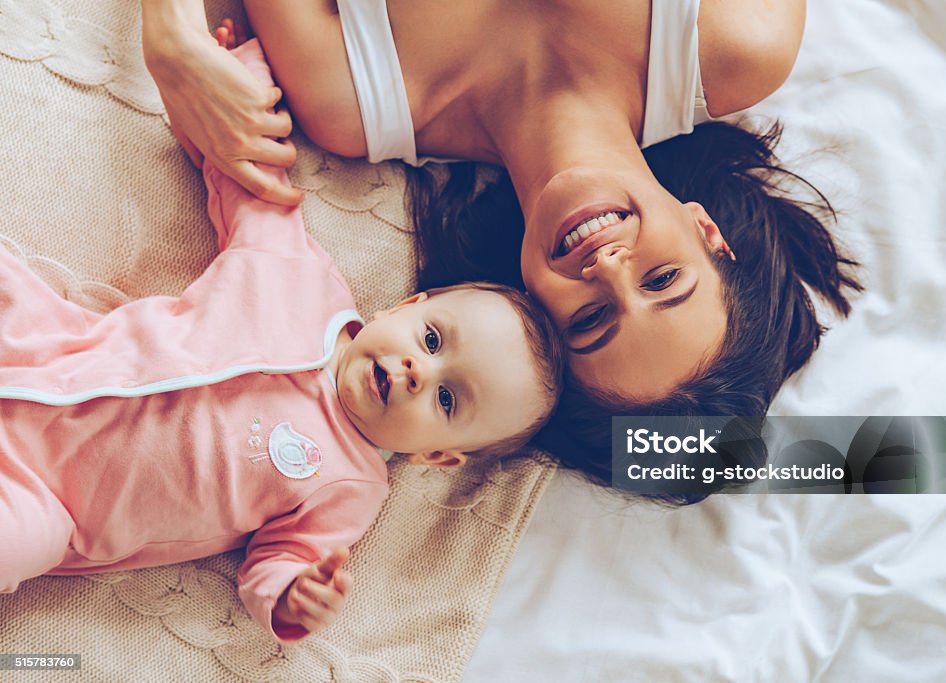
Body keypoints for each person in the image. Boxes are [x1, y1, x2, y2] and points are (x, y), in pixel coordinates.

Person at [140, 0, 861, 503]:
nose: (609, 267)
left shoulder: (350, 98)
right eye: (664, 278)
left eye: (590, 321)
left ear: (531, 318)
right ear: (707, 231)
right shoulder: (735, 42)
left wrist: (170, 34)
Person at [0, 40, 564, 641]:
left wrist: (294, 598)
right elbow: (256, 187)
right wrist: (241, 80)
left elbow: (279, 562)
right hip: (50, 348)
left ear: (437, 456)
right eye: (430, 339)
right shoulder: (300, 278)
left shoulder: (349, 487)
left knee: (17, 544)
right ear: (405, 306)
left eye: (447, 400)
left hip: (50, 498)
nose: (417, 371)